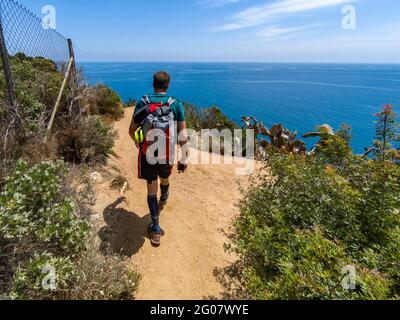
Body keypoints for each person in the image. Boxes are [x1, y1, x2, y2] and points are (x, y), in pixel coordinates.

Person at [129, 71, 188, 247]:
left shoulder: (143, 102)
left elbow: (131, 130)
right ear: (168, 85)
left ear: (153, 84)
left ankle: (155, 229)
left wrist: (138, 143)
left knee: (151, 188)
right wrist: (184, 157)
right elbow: (183, 134)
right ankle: (166, 193)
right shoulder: (175, 104)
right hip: (167, 154)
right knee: (164, 177)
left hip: (148, 153)